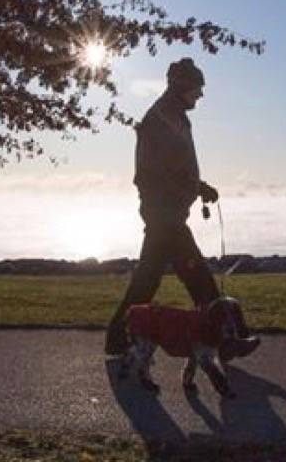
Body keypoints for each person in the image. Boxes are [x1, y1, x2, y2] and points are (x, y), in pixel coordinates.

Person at [103, 57, 259, 358]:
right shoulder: (160, 119)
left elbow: (174, 168)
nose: (200, 95)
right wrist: (187, 191)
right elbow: (154, 172)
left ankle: (117, 337)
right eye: (197, 89)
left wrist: (198, 187)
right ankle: (225, 340)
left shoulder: (171, 116)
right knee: (200, 278)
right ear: (182, 86)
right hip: (166, 217)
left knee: (146, 282)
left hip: (166, 214)